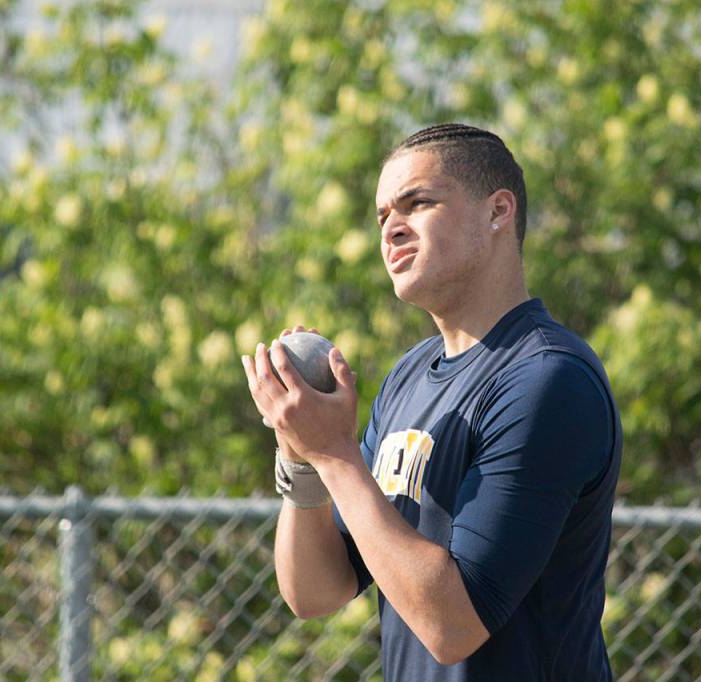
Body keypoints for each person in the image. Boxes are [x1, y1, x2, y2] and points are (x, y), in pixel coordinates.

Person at [241, 123, 622, 681]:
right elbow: (316, 591)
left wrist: (334, 454)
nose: (391, 228)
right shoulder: (408, 377)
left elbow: (452, 627)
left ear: (498, 211)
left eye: (417, 203)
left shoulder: (547, 379)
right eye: (382, 216)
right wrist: (300, 455)